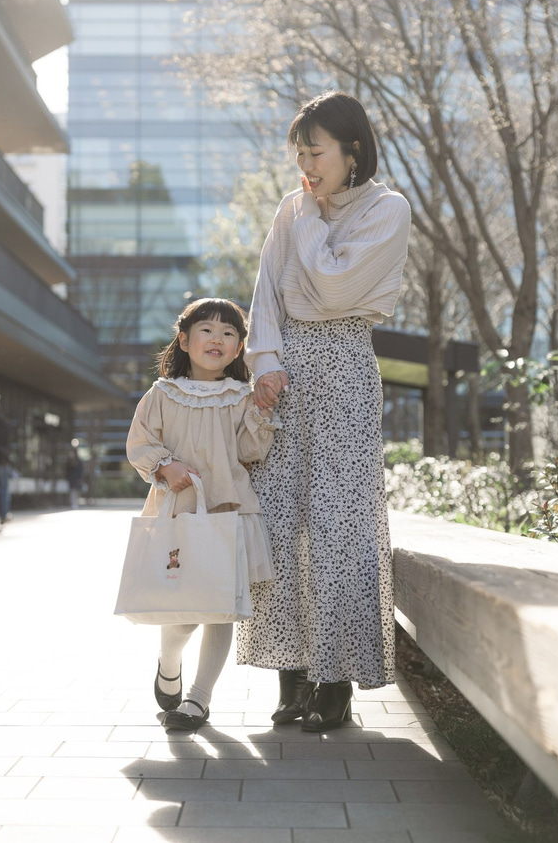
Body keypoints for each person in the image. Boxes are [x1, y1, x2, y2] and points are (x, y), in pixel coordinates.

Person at [236, 90, 411, 732]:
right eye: (299, 150)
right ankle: (292, 679)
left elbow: (336, 284)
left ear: (352, 150)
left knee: (340, 524)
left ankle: (335, 681)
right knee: (280, 522)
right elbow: (267, 290)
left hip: (345, 368)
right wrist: (263, 363)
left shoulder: (387, 209)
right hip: (283, 375)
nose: (305, 162)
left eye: (316, 149)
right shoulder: (290, 207)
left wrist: (309, 217)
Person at [126, 298, 280, 731]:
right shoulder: (163, 393)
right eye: (207, 330)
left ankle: (198, 700)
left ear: (239, 350)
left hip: (228, 510)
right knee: (183, 608)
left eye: (229, 333)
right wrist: (164, 465)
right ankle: (169, 660)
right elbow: (139, 442)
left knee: (219, 605)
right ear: (184, 340)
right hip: (177, 512)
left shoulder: (240, 397)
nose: (217, 338)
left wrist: (263, 412)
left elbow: (252, 451)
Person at [65, 444, 84, 510]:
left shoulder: (79, 461)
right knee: (72, 491)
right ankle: (73, 503)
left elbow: (80, 470)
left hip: (76, 478)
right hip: (71, 478)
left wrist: (80, 478)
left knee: (76, 491)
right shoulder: (69, 461)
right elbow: (67, 470)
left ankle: (76, 503)